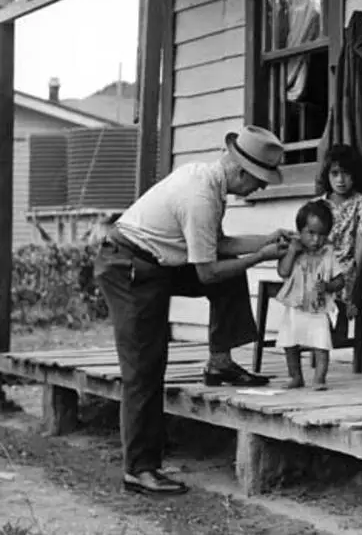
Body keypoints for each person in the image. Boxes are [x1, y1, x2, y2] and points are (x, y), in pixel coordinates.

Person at [94, 125, 294, 496]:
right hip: (130, 269)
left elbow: (216, 245)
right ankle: (140, 469)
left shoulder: (211, 183)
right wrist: (259, 257)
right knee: (145, 367)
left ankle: (220, 362)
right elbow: (207, 270)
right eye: (260, 181)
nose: (262, 189)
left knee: (229, 279)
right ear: (240, 171)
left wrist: (265, 239)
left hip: (157, 263)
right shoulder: (201, 195)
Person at [275, 200, 345, 391]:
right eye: (311, 233)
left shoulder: (328, 254)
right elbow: (283, 271)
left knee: (321, 343)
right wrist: (291, 251)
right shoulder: (293, 251)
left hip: (318, 306)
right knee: (290, 342)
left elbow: (341, 280)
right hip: (295, 305)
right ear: (300, 231)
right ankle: (296, 376)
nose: (316, 240)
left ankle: (319, 379)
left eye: (322, 235)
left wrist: (329, 286)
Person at [315, 144, 362, 326]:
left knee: (339, 279)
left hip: (344, 265)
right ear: (327, 175)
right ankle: (300, 338)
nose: (340, 180)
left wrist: (358, 275)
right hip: (318, 262)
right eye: (334, 173)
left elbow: (361, 240)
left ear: (355, 174)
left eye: (346, 173)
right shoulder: (319, 204)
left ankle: (325, 340)